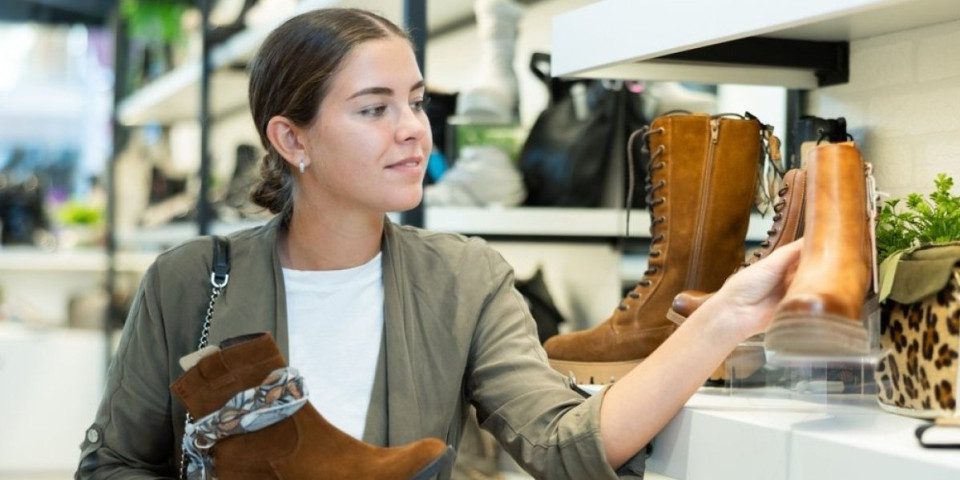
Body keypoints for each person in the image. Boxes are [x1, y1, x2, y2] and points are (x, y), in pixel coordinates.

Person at [75, 7, 802, 480]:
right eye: (374, 109)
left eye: (417, 103)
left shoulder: (465, 278)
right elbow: (111, 464)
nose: (413, 131)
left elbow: (562, 442)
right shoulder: (191, 280)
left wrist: (721, 318)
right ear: (292, 139)